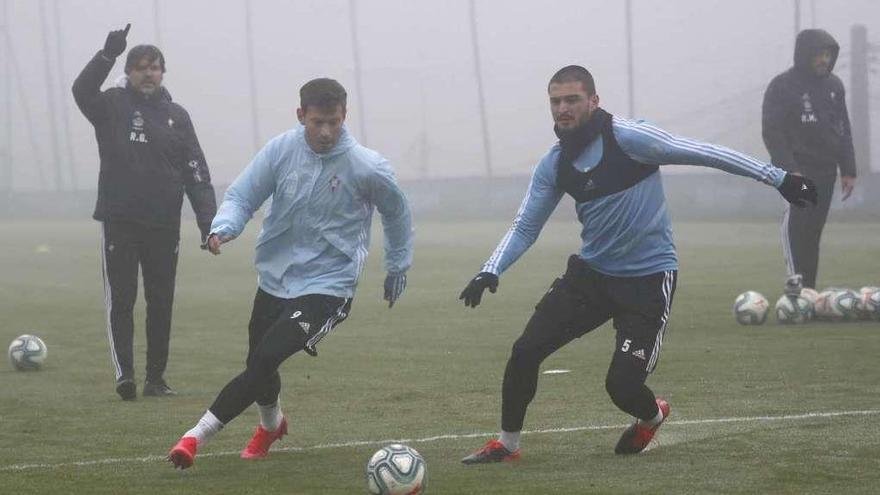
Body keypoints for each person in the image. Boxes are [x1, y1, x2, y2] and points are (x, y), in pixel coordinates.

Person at [458, 65, 817, 463]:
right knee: (525, 351)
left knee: (622, 387)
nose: (563, 108)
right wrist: (490, 268)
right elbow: (525, 226)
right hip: (591, 278)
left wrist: (779, 178)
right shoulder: (555, 163)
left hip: (647, 282)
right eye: (556, 101)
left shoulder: (630, 138)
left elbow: (703, 152)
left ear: (594, 101)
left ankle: (651, 415)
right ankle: (506, 446)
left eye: (572, 99)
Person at [167, 78, 413, 469]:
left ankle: (194, 437)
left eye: (333, 121)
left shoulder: (367, 166)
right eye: (317, 122)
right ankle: (272, 425)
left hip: (328, 288)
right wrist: (223, 227)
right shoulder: (281, 151)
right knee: (259, 364)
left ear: (344, 115)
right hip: (275, 279)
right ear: (301, 116)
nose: (327, 131)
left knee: (265, 357)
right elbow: (243, 195)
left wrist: (398, 263)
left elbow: (397, 213)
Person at [72, 24, 217, 401]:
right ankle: (125, 376)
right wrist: (107, 55)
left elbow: (196, 172)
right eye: (140, 67)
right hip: (120, 222)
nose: (148, 73)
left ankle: (156, 379)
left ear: (163, 73)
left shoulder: (177, 116)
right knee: (121, 300)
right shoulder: (111, 105)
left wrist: (208, 223)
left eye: (154, 67)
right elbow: (80, 92)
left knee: (161, 301)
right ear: (129, 72)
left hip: (164, 225)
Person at [762, 28, 856, 294]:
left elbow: (843, 129)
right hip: (798, 173)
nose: (824, 60)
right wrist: (790, 169)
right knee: (797, 226)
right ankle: (795, 285)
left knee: (814, 230)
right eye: (819, 54)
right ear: (805, 55)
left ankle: (809, 292)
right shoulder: (782, 86)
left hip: (827, 172)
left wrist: (848, 169)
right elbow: (772, 131)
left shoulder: (835, 86)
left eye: (828, 54)